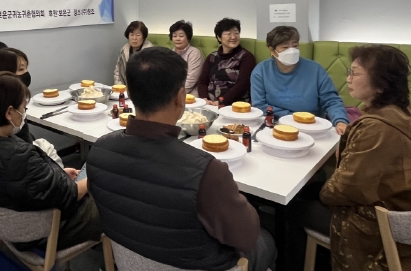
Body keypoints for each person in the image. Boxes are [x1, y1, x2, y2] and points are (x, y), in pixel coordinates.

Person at [88, 47, 276, 271]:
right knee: (265, 241)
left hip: (128, 262)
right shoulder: (206, 171)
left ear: (128, 92)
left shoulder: (99, 151)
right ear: (181, 98)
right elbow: (245, 238)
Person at [319, 45, 411, 270]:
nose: (348, 78)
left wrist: (324, 191)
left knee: (296, 209)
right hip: (406, 207)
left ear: (381, 84)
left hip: (383, 228)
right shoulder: (405, 111)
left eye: (355, 73)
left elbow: (343, 190)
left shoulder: (377, 130)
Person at [0, 72, 102, 250]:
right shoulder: (18, 156)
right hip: (40, 232)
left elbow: (22, 182)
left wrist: (55, 176)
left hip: (4, 224)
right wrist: (93, 179)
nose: (24, 114)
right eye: (23, 108)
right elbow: (71, 194)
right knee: (109, 191)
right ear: (9, 112)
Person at [251, 26, 349, 134]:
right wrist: (292, 117)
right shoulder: (261, 71)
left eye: (295, 46)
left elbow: (331, 100)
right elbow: (259, 105)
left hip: (312, 127)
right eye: (285, 47)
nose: (292, 51)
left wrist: (340, 121)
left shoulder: (315, 70)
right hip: (274, 124)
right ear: (272, 50)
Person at [197, 18, 256, 106]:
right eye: (229, 34)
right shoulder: (212, 57)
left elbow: (243, 84)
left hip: (235, 106)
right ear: (219, 37)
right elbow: (202, 81)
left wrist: (222, 101)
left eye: (236, 33)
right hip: (209, 104)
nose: (233, 37)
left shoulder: (246, 57)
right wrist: (204, 99)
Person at [169, 19, 203, 95]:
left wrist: (175, 95)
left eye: (181, 36)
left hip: (189, 92)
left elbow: (191, 79)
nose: (177, 39)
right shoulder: (170, 53)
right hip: (171, 91)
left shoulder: (194, 53)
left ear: (188, 37)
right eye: (174, 36)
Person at [113, 21, 153, 85]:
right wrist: (120, 86)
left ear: (144, 37)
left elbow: (151, 76)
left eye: (138, 35)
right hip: (124, 87)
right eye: (131, 35)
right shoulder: (124, 50)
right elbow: (117, 71)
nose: (134, 38)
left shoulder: (150, 52)